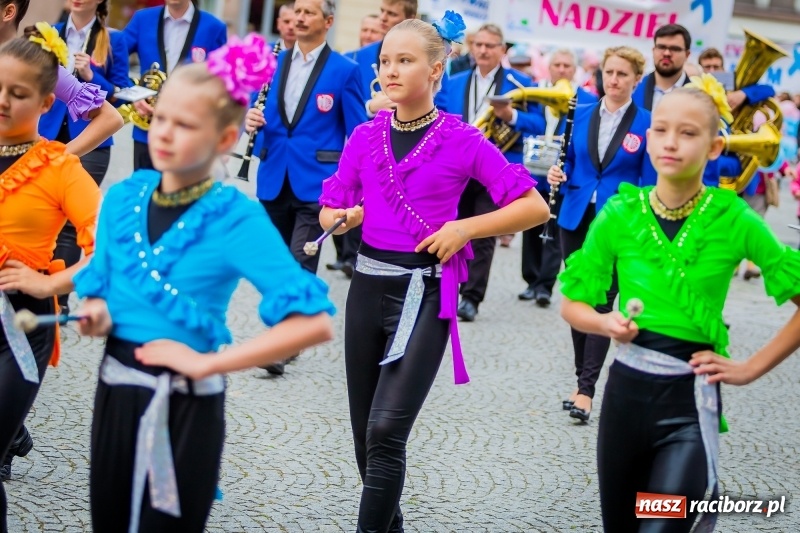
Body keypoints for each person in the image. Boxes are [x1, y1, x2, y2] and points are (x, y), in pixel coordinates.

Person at [73, 34, 335, 533]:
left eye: (186, 124)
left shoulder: (235, 215)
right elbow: (103, 292)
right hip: (115, 393)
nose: (166, 133)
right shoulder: (124, 195)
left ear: (224, 138)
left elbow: (314, 323)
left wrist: (210, 362)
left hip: (187, 405)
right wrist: (100, 314)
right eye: (163, 117)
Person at [319, 14, 549, 532]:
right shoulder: (364, 135)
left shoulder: (462, 139)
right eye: (385, 61)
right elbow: (331, 207)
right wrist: (344, 217)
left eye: (405, 60)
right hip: (367, 291)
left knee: (385, 432)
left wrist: (465, 228)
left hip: (426, 295)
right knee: (365, 439)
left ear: (437, 69)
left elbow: (534, 207)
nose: (391, 71)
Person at [558, 76, 800, 532]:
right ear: (648, 140)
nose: (672, 142)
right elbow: (571, 304)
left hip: (688, 410)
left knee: (663, 525)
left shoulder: (735, 220)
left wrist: (749, 368)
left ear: (714, 146)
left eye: (688, 133)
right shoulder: (620, 214)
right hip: (624, 403)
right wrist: (606, 322)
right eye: (662, 130)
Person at [0, 32, 101, 522]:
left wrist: (51, 284)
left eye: (17, 93)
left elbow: (107, 246)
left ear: (45, 101)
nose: (2, 101)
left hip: (18, 331)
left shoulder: (59, 166)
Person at [244, 0, 365, 376]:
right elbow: (255, 106)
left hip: (317, 183)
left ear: (328, 21)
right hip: (273, 174)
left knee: (300, 259)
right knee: (275, 262)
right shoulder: (271, 61)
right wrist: (250, 117)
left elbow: (358, 133)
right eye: (296, 10)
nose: (298, 17)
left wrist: (352, 188)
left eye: (308, 11)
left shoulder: (346, 71)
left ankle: (283, 343)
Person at [547, 46, 656, 422]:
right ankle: (582, 381)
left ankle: (586, 391)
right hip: (575, 214)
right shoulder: (580, 113)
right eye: (609, 72)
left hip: (617, 223)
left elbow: (649, 180)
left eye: (622, 74)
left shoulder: (646, 122)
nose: (613, 79)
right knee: (579, 298)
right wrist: (555, 176)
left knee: (602, 304)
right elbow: (569, 161)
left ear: (636, 80)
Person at [445, 22, 545, 322]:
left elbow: (539, 126)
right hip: (456, 169)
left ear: (502, 50)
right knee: (453, 226)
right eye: (479, 44)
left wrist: (511, 115)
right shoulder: (454, 80)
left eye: (491, 45)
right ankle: (451, 289)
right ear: (472, 47)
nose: (484, 50)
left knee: (484, 234)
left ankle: (472, 298)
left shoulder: (521, 83)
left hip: (495, 169)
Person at [40, 0, 130, 316]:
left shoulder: (114, 39)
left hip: (90, 142)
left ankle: (59, 300)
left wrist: (91, 75)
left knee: (70, 223)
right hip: (48, 132)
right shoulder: (47, 34)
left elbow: (123, 91)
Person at [518, 48, 597, 307]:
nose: (562, 69)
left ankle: (545, 286)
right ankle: (530, 280)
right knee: (530, 228)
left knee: (553, 229)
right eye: (557, 65)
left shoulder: (585, 99)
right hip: (535, 171)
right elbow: (528, 123)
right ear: (549, 68)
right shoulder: (538, 94)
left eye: (567, 65)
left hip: (562, 175)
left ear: (574, 70)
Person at [0, 1, 122, 157]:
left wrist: (56, 160)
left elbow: (110, 118)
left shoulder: (31, 61)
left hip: (16, 172)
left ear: (8, 12)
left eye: (18, 93)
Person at [123, 0, 228, 170]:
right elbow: (115, 60)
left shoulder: (214, 27)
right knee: (144, 190)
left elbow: (221, 81)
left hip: (190, 131)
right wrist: (134, 94)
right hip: (147, 128)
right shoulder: (142, 19)